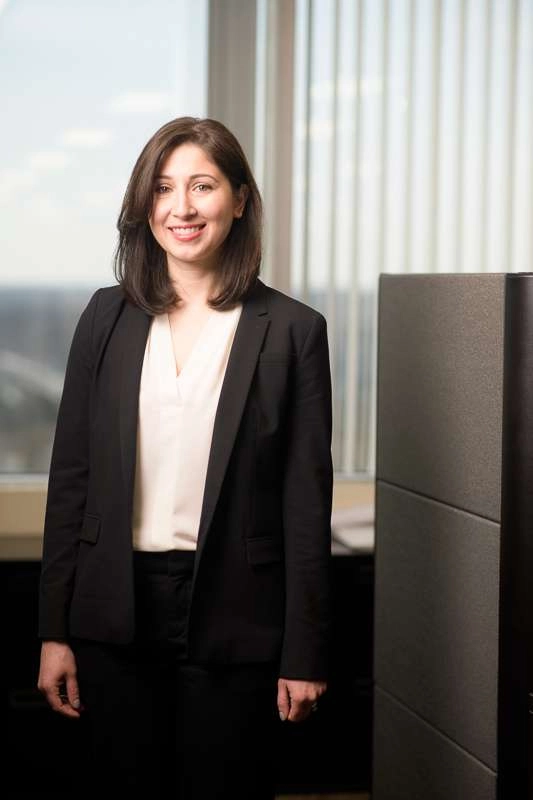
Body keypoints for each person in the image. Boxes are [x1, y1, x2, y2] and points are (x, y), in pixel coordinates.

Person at [37, 116, 333, 799]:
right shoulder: (103, 318)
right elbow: (71, 481)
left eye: (202, 186)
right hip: (114, 611)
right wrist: (54, 630)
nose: (183, 207)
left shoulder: (292, 331)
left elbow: (303, 503)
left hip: (237, 612)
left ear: (237, 199)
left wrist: (305, 650)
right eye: (164, 188)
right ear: (145, 205)